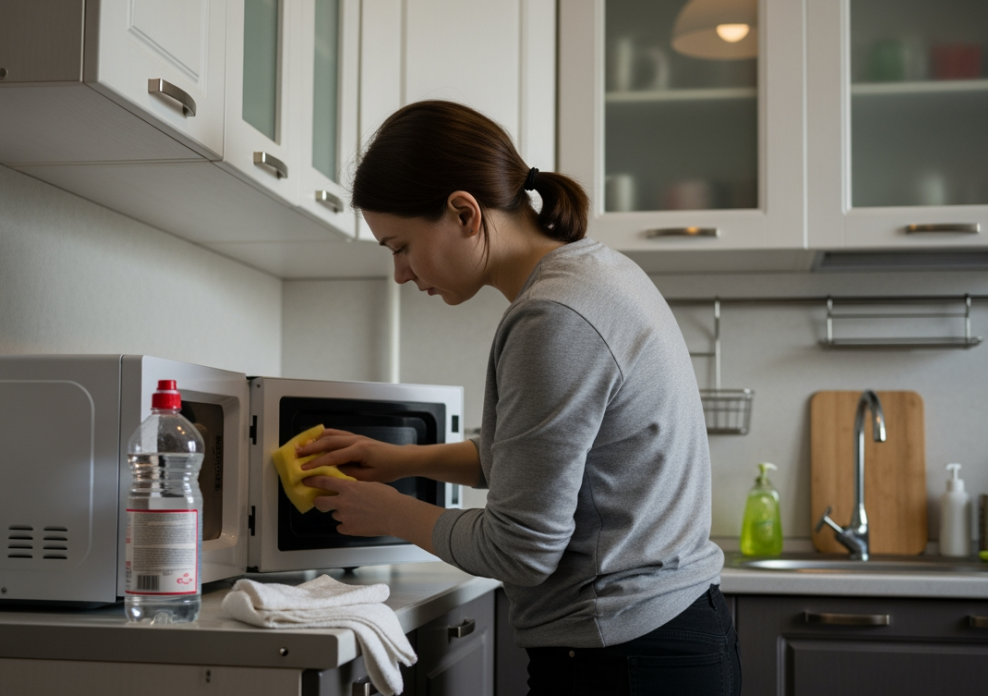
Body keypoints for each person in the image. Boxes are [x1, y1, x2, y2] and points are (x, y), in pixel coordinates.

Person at [299, 100, 739, 695]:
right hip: (660, 636)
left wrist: (388, 511)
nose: (400, 273)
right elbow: (542, 458)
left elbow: (521, 549)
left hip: (625, 657)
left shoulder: (553, 317)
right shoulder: (594, 272)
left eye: (399, 246)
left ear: (463, 213)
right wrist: (404, 461)